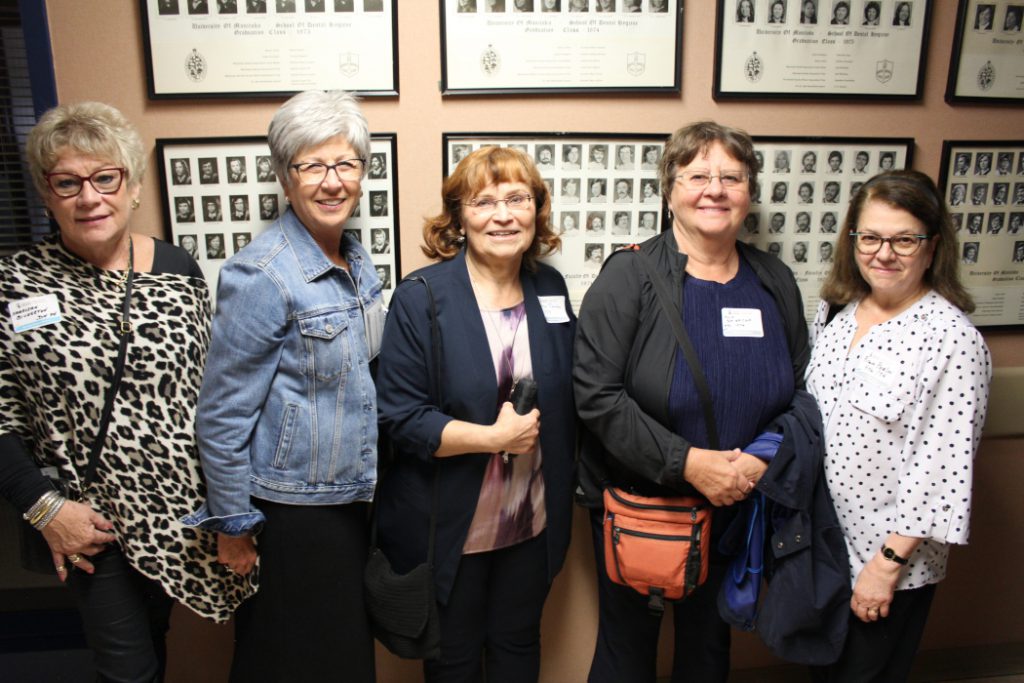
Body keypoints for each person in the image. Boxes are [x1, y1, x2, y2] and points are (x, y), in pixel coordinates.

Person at [574, 121, 841, 682]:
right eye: (697, 175)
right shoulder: (630, 276)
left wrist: (758, 460)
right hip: (645, 511)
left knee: (708, 657)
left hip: (738, 511)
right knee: (626, 659)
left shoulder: (774, 280)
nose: (714, 189)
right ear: (669, 189)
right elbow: (597, 397)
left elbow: (800, 393)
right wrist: (689, 463)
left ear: (750, 192)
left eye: (732, 177)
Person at [0, 101, 251, 682]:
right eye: (68, 182)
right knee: (128, 671)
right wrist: (46, 510)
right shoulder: (16, 283)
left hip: (179, 519)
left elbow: (209, 395)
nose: (89, 197)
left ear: (132, 184)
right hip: (90, 524)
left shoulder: (178, 268)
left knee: (155, 650)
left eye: (104, 177)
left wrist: (229, 512)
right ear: (46, 192)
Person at [184, 90, 383, 683]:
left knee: (344, 659)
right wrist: (235, 527)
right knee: (286, 660)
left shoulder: (355, 255)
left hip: (350, 501)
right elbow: (220, 415)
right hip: (292, 513)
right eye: (312, 165)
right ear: (283, 175)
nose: (332, 181)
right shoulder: (260, 273)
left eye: (346, 164)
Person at [374, 146, 576, 683]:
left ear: (537, 209)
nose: (503, 215)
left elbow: (570, 397)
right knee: (455, 663)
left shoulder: (550, 290)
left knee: (517, 650)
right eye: (484, 201)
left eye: (517, 198)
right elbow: (401, 417)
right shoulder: (421, 298)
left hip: (529, 522)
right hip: (452, 529)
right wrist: (493, 438)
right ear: (459, 217)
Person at [807, 171, 991, 682]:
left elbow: (942, 471)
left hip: (887, 561)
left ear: (932, 248)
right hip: (827, 548)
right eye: (870, 237)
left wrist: (885, 566)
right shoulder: (838, 311)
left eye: (904, 239)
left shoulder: (951, 340)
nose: (883, 253)